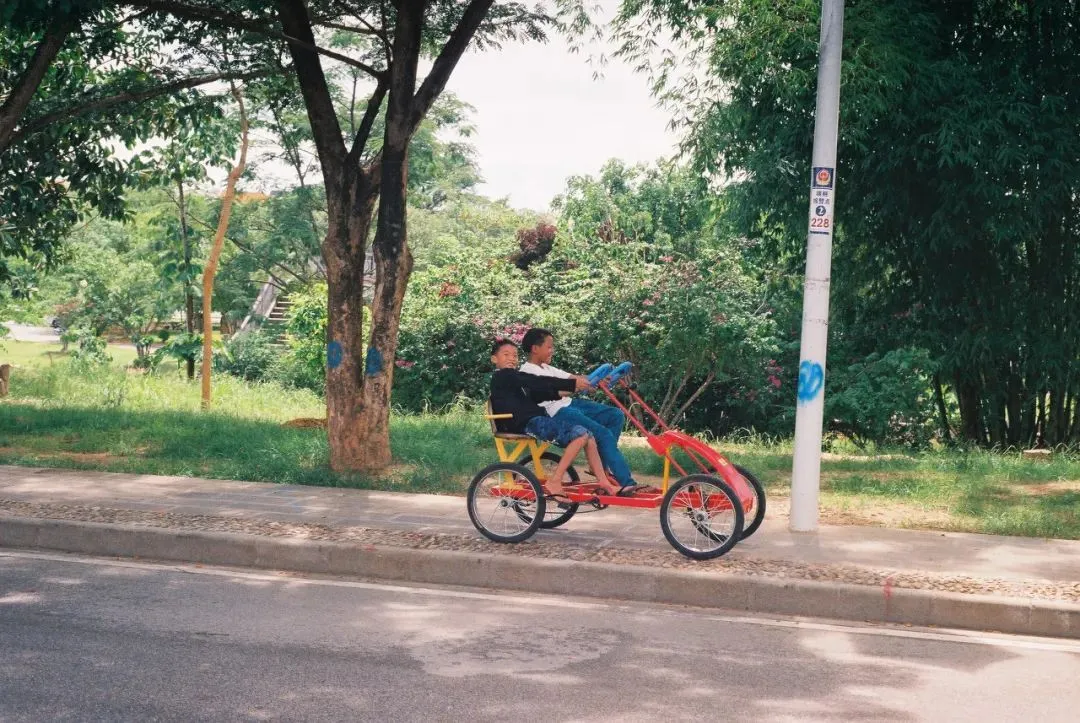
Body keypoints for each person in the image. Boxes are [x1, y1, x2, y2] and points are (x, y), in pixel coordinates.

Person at [488, 339, 618, 498]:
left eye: (514, 355)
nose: (511, 358)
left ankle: (603, 482)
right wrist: (572, 383)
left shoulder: (514, 380)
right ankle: (555, 481)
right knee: (581, 434)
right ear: (494, 359)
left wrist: (573, 387)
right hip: (524, 423)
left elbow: (541, 393)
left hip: (536, 420)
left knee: (588, 436)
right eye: (506, 354)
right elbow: (536, 381)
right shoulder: (503, 376)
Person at [519, 328, 638, 492]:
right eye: (549, 346)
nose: (552, 350)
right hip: (556, 411)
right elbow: (556, 388)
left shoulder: (547, 368)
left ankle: (600, 468)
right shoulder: (528, 371)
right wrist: (579, 386)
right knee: (602, 433)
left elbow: (575, 379)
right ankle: (626, 482)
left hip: (570, 404)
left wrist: (598, 379)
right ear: (535, 348)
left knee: (615, 415)